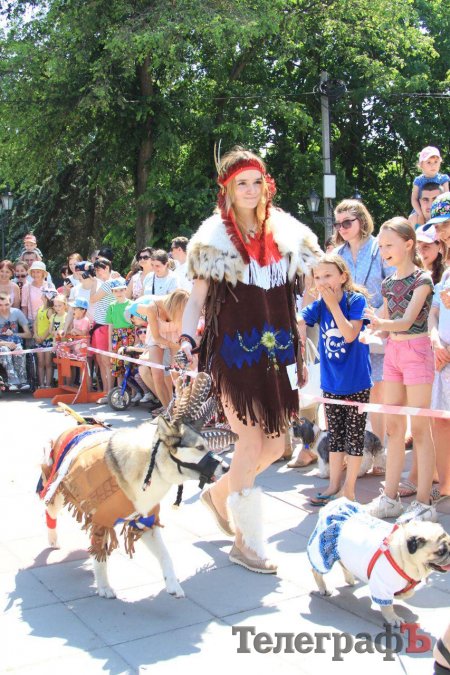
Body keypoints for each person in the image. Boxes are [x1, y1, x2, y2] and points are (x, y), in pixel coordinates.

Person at [179, 146, 321, 573]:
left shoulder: (287, 235)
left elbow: (302, 294)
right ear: (227, 188)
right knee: (250, 442)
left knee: (275, 445)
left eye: (257, 182)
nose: (251, 190)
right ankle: (246, 542)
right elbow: (197, 299)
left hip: (278, 352)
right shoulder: (212, 241)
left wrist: (302, 338)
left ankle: (219, 494)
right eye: (242, 183)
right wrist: (186, 337)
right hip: (233, 354)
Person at [365, 217, 436, 522]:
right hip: (393, 353)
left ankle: (423, 502)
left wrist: (380, 323)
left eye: (388, 245)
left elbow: (407, 321)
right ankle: (390, 498)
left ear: (408, 244)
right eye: (381, 246)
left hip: (417, 352)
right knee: (394, 428)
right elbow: (383, 321)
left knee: (419, 429)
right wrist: (368, 329)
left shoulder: (423, 280)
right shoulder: (388, 283)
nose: (384, 251)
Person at [298, 254, 372, 504]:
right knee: (335, 436)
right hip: (331, 383)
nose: (322, 281)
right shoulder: (319, 305)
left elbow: (350, 334)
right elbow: (298, 319)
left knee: (354, 436)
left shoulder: (355, 300)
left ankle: (349, 489)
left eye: (327, 275)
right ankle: (333, 485)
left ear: (343, 277)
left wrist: (333, 305)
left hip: (357, 381)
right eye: (317, 277)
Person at [136, 289, 189, 408]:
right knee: (157, 374)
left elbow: (182, 333)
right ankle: (167, 409)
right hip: (157, 338)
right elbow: (156, 337)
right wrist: (173, 345)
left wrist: (180, 345)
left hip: (175, 336)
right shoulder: (153, 308)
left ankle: (181, 406)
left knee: (177, 372)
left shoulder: (182, 308)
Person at [429, 255, 450, 503]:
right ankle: (445, 484)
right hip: (442, 361)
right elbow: (433, 313)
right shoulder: (446, 274)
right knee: (441, 421)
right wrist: (435, 340)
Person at [105, 279, 134, 386]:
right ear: (112, 292)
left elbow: (135, 324)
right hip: (116, 336)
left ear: (125, 290)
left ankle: (133, 392)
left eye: (121, 290)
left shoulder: (132, 304)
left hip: (129, 335)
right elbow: (110, 325)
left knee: (130, 364)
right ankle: (119, 390)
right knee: (117, 365)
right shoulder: (111, 306)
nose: (119, 293)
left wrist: (136, 341)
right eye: (116, 291)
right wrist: (110, 345)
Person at [0, 292, 31, 391]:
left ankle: (22, 381)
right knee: (5, 350)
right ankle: (12, 381)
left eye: (6, 304)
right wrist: (6, 343)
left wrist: (14, 334)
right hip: (2, 345)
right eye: (0, 305)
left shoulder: (17, 312)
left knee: (19, 349)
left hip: (15, 343)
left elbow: (28, 334)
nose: (4, 308)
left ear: (11, 303)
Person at [411, 147, 449, 226]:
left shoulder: (443, 179)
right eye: (429, 162)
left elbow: (446, 197)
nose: (433, 165)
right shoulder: (418, 181)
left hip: (439, 208)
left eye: (436, 162)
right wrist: (420, 214)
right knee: (412, 218)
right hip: (422, 209)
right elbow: (414, 199)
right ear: (421, 165)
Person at [33, 289, 56, 387]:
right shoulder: (40, 308)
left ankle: (48, 384)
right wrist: (36, 334)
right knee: (40, 363)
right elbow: (35, 322)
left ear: (47, 298)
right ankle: (41, 384)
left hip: (48, 340)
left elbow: (50, 326)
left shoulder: (50, 311)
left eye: (43, 294)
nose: (41, 295)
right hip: (39, 340)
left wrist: (43, 337)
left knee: (48, 363)